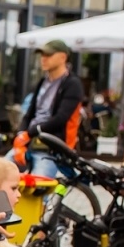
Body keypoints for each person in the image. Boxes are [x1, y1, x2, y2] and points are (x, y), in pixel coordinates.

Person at [22, 41, 83, 178]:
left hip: (53, 148)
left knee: (39, 186)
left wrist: (32, 131)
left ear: (63, 57)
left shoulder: (72, 83)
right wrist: (21, 134)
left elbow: (60, 119)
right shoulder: (43, 82)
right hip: (31, 142)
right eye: (42, 54)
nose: (43, 58)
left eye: (48, 55)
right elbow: (30, 113)